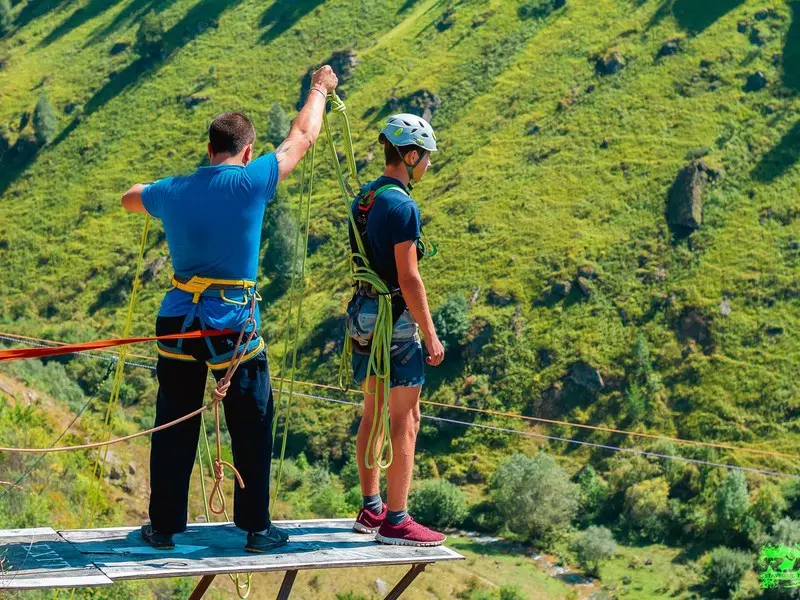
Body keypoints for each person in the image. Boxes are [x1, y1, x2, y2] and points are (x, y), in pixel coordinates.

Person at [120, 66, 339, 553]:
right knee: (253, 419)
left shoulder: (173, 191)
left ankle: (162, 528)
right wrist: (319, 89)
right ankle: (257, 529)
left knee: (173, 421)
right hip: (231, 325)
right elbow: (301, 136)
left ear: (207, 149)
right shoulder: (251, 181)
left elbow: (130, 198)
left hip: (178, 323)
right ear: (245, 153)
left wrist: (161, 194)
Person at [347, 113, 447, 546]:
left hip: (363, 314)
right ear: (409, 155)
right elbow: (409, 277)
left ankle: (371, 509)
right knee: (405, 419)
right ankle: (397, 520)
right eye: (424, 158)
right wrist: (430, 333)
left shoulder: (365, 198)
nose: (427, 166)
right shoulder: (403, 205)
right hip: (396, 319)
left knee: (372, 413)